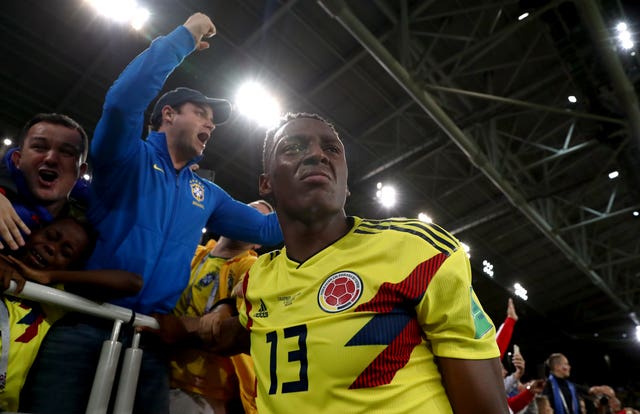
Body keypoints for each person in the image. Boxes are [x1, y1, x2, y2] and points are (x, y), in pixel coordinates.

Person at [152, 113, 509, 413]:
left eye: (331, 149)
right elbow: (230, 333)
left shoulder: (418, 251)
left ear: (346, 185)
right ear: (266, 183)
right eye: (293, 147)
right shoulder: (256, 279)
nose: (317, 155)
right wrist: (171, 324)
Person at [21, 12, 282, 414]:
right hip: (85, 323)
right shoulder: (127, 156)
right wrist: (183, 38)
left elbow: (267, 227)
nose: (211, 125)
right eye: (202, 113)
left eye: (213, 121)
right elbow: (124, 101)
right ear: (168, 115)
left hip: (152, 340)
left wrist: (321, 197)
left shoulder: (207, 193)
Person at [0, 216, 142, 412]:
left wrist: (50, 276)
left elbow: (132, 282)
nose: (51, 248)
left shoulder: (55, 298)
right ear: (34, 230)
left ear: (72, 267)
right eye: (50, 236)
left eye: (65, 253)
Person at [169, 200, 272, 414]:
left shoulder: (252, 267)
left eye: (257, 219)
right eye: (246, 210)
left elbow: (249, 301)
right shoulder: (191, 251)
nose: (247, 217)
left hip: (203, 391)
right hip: (157, 368)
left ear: (259, 243)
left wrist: (228, 307)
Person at [0, 113, 89, 250]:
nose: (51, 158)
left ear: (81, 172)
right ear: (17, 160)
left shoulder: (89, 230)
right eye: (39, 147)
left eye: (67, 152)